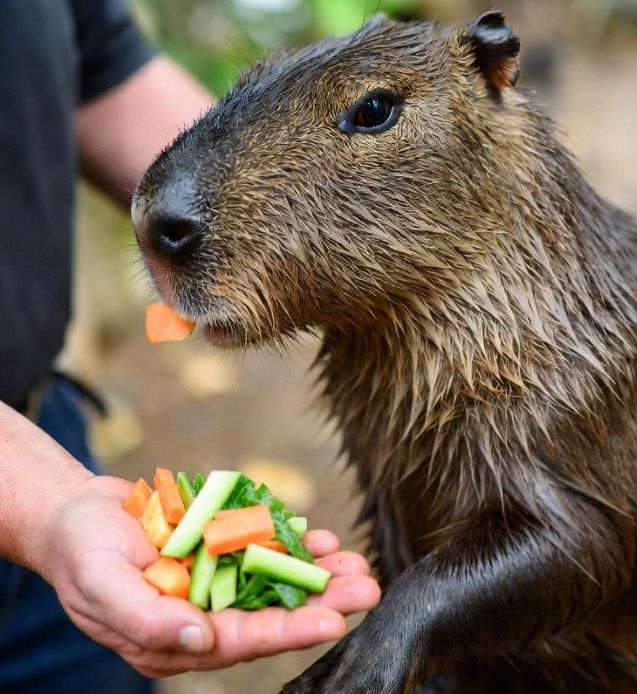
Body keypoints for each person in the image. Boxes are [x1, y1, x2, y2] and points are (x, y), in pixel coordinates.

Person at [0, 2, 380, 692]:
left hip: (39, 433)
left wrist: (252, 220)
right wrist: (45, 508)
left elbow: (100, 67)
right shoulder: (58, 507)